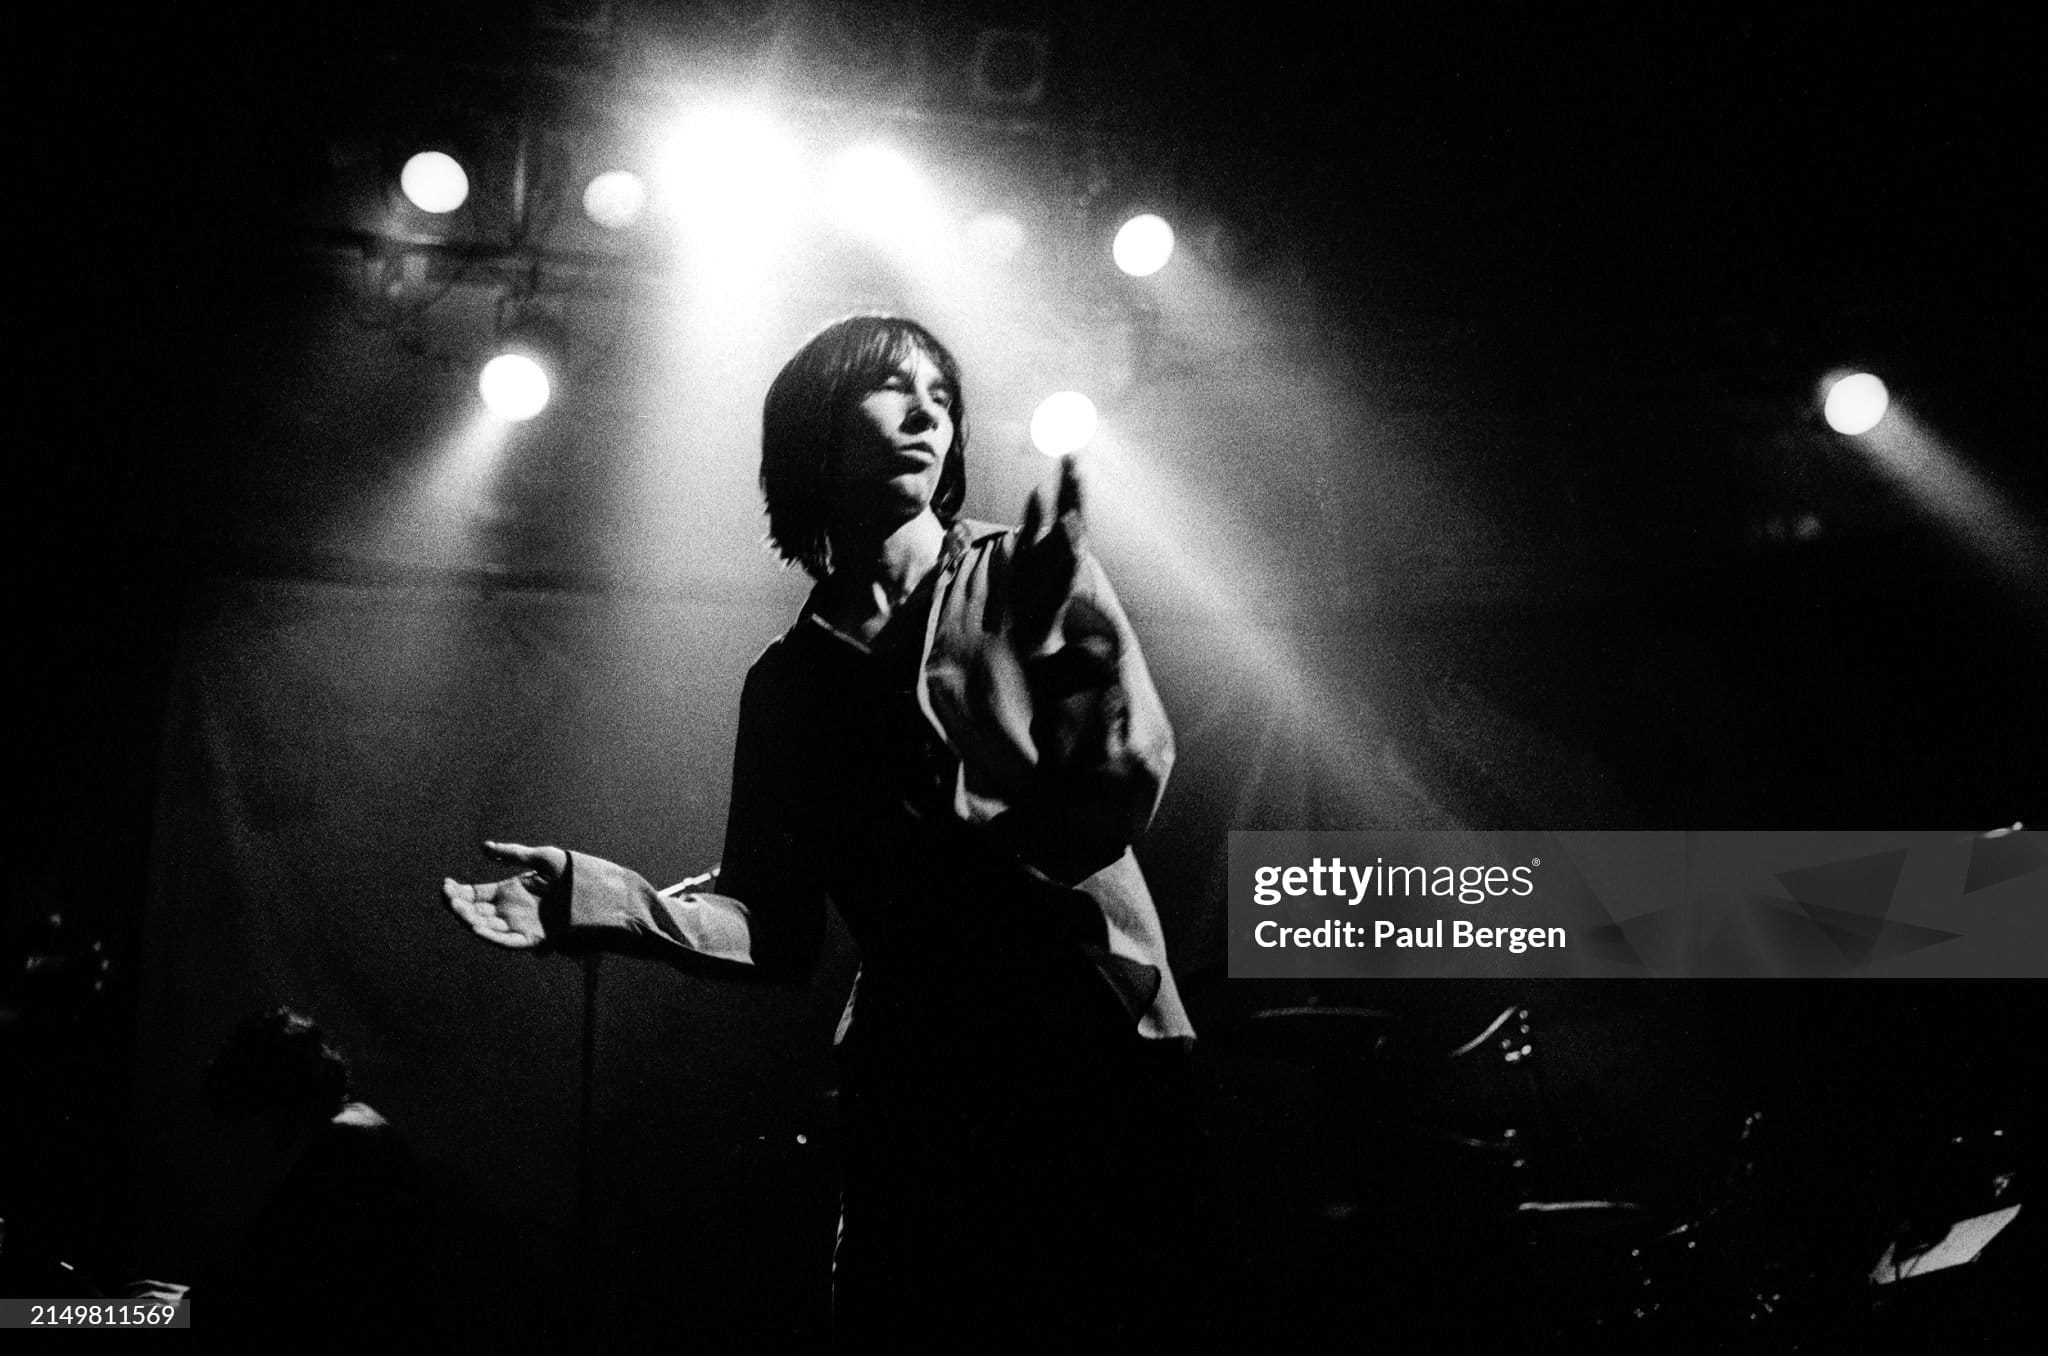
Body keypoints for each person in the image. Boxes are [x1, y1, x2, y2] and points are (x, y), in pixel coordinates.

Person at [445, 314, 1198, 1344]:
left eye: (941, 394)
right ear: (816, 431)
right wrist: (595, 900)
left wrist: (1086, 679)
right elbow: (770, 922)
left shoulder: (1022, 575)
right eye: (892, 387)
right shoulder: (789, 685)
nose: (925, 409)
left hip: (1082, 1050)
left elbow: (1119, 794)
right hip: (920, 1084)